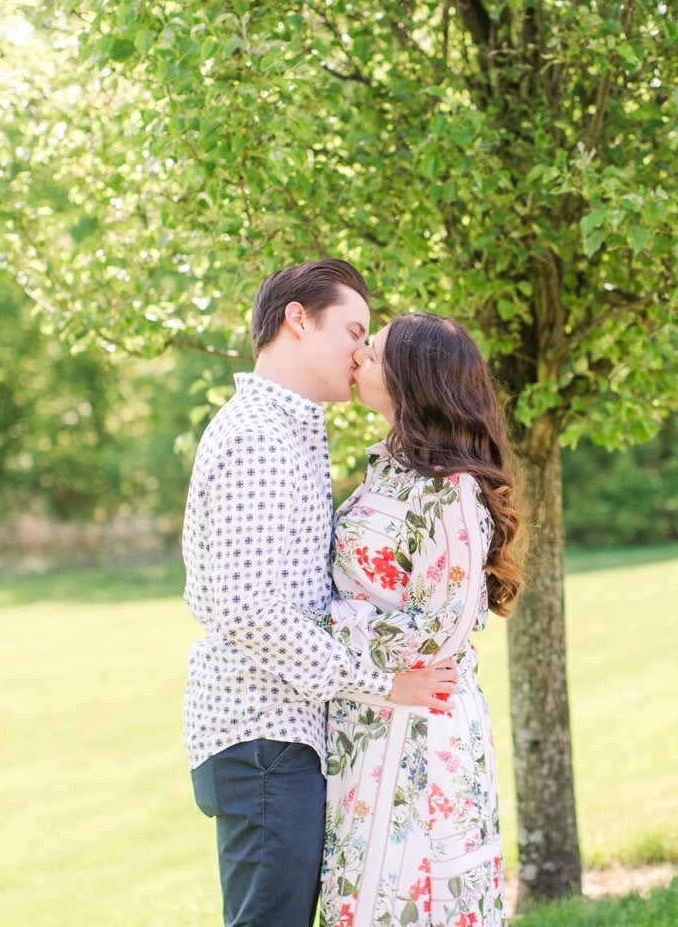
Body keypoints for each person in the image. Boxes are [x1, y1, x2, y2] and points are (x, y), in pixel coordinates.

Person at [182, 259, 461, 927]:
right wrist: (383, 683)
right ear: (298, 320)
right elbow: (248, 610)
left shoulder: (288, 433)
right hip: (262, 737)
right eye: (354, 330)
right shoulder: (259, 438)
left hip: (281, 736)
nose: (363, 352)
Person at [320, 313, 524, 927]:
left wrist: (316, 621)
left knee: (414, 902)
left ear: (414, 379)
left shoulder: (453, 492)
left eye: (374, 352)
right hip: (367, 720)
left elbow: (434, 636)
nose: (358, 357)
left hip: (422, 729)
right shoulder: (386, 469)